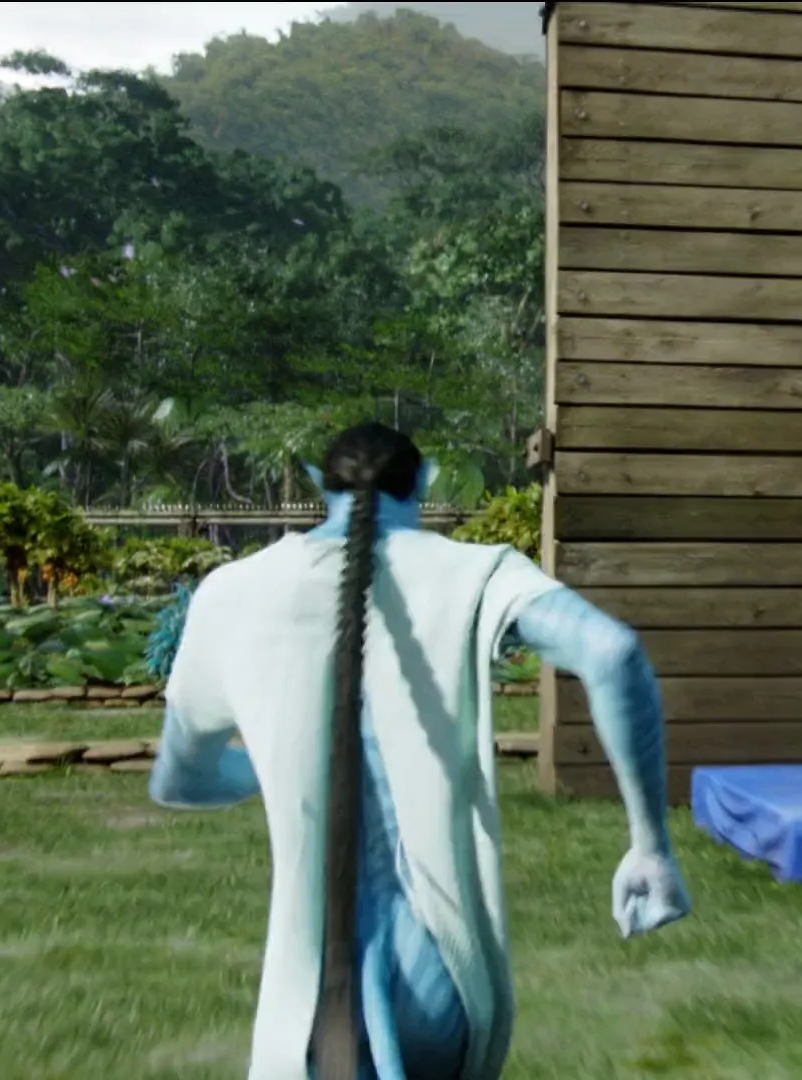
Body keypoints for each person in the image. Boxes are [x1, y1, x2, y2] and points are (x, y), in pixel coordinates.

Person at [148, 422, 690, 1080]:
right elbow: (613, 651)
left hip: (309, 1004)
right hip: (444, 986)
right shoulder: (480, 571)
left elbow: (178, 778)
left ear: (320, 485)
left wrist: (278, 768)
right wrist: (650, 845)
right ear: (425, 483)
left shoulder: (231, 591)